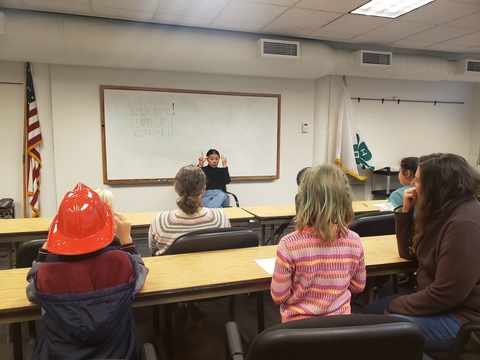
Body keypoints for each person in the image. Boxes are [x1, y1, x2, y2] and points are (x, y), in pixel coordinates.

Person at [363, 153, 480, 353]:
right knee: (366, 315)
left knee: (374, 333)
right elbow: (409, 253)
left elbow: (445, 295)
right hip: (441, 304)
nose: (412, 184)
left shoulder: (465, 224)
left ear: (436, 186)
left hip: (463, 320)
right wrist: (405, 212)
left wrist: (395, 303)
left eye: (417, 180)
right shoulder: (445, 210)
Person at [25, 182, 149, 360]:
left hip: (59, 355)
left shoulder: (46, 271)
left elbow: (32, 294)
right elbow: (139, 276)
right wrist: (127, 242)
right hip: (119, 354)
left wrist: (43, 253)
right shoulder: (120, 261)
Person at [270, 165, 366, 323]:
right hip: (340, 329)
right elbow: (358, 286)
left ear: (303, 200)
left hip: (298, 331)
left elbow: (278, 296)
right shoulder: (354, 240)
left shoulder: (288, 245)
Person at [148, 164, 231, 256]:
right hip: (210, 269)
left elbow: (154, 252)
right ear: (203, 189)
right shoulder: (220, 217)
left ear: (176, 188)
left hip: (174, 269)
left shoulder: (161, 221)